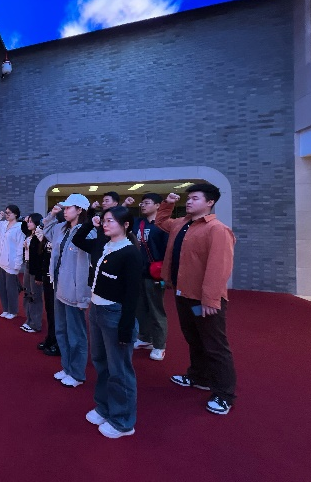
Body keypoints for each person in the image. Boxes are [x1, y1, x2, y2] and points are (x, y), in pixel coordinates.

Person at [155, 184, 237, 415]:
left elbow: (219, 267)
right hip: (183, 293)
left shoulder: (217, 229)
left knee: (215, 346)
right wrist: (168, 203)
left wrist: (210, 300)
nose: (189, 201)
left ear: (210, 202)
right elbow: (161, 222)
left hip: (203, 300)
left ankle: (224, 394)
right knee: (194, 339)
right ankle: (199, 377)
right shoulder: (181, 224)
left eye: (195, 198)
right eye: (188, 198)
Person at [83, 206, 142, 438]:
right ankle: (104, 406)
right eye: (104, 220)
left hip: (115, 313)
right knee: (101, 362)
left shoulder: (130, 253)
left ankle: (123, 421)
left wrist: (126, 326)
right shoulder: (106, 245)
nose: (105, 224)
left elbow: (132, 294)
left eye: (110, 221)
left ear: (126, 225)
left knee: (119, 369)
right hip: (97, 309)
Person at [42, 194, 93, 388]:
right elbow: (46, 231)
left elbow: (86, 267)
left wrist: (83, 297)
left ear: (80, 210)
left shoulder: (87, 232)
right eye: (64, 208)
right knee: (61, 330)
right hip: (59, 285)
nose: (65, 211)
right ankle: (67, 367)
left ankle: (77, 373)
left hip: (74, 290)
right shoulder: (62, 228)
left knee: (76, 334)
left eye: (68, 208)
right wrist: (51, 215)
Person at [132, 193, 169, 361]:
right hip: (138, 272)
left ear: (158, 205)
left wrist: (166, 275)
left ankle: (159, 345)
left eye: (147, 203)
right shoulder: (138, 223)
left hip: (155, 274)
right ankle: (145, 338)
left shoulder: (163, 226)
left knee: (156, 310)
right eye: (142, 203)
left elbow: (168, 251)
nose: (143, 205)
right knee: (140, 308)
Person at [36, 210, 66, 356]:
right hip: (48, 276)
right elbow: (44, 255)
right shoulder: (50, 234)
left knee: (57, 312)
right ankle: (51, 337)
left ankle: (59, 342)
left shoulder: (64, 234)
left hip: (59, 278)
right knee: (49, 309)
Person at [0, 205, 25, 320]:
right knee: (2, 288)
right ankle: (5, 309)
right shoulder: (2, 225)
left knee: (11, 289)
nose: (7, 214)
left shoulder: (19, 227)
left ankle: (13, 311)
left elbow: (20, 246)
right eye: (6, 212)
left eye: (9, 213)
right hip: (1, 261)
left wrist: (18, 263)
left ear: (16, 214)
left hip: (11, 263)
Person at [20, 213, 45, 333]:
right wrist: (25, 221)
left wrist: (39, 275)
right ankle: (29, 319)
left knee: (35, 296)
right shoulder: (29, 235)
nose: (28, 223)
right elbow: (23, 227)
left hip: (35, 268)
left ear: (36, 222)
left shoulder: (40, 236)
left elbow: (41, 257)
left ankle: (35, 323)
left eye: (30, 221)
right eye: (28, 221)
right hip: (27, 265)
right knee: (27, 293)